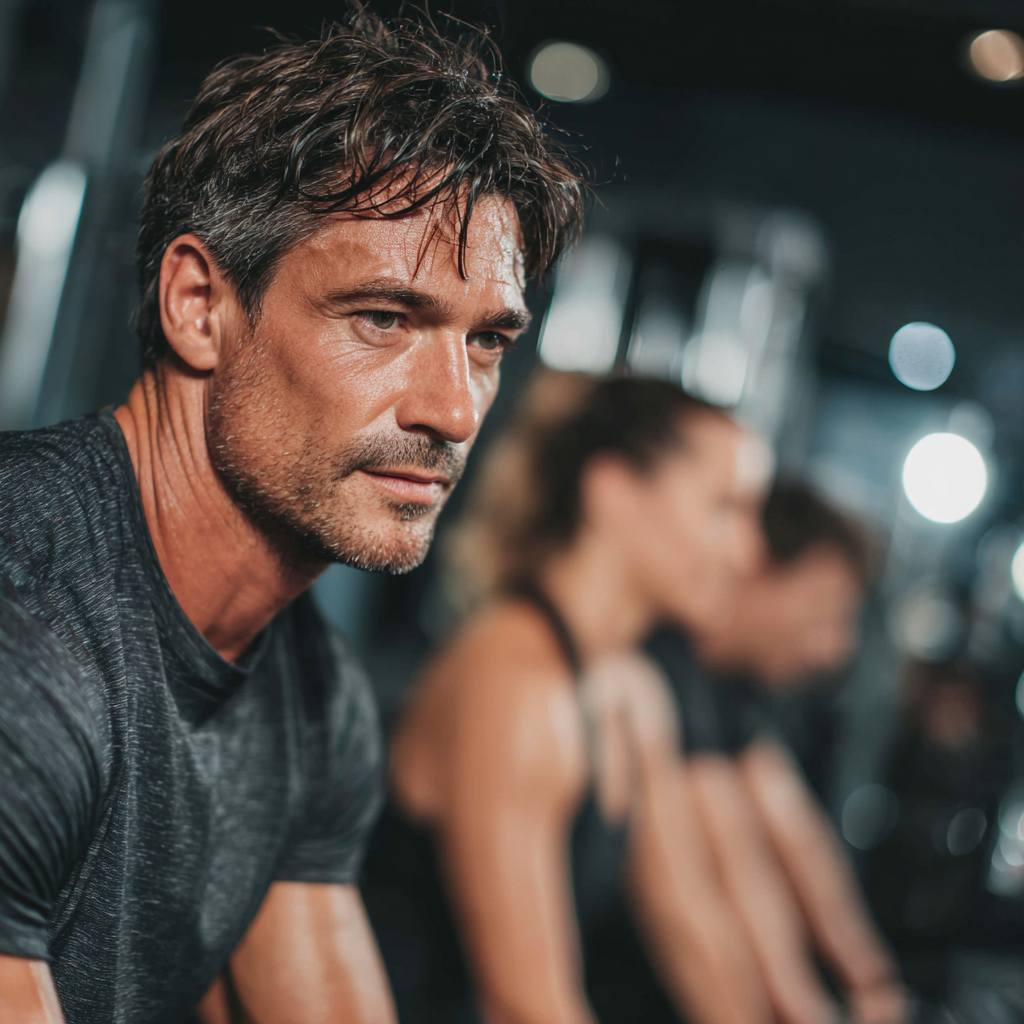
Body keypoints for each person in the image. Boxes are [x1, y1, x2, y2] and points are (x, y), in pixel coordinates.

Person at [0, 12, 585, 1024]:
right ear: (197, 304)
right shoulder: (26, 622)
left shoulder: (313, 691)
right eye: (383, 318)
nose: (450, 410)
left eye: (486, 340)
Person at [382, 369, 773, 1024]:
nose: (749, 553)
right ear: (614, 492)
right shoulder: (518, 683)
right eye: (725, 509)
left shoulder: (633, 695)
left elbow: (695, 929)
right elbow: (528, 1006)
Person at [647, 480, 908, 1024]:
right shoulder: (663, 661)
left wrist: (873, 982)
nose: (835, 648)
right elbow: (727, 870)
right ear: (760, 570)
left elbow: (798, 835)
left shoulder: (734, 688)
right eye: (822, 611)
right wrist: (804, 1008)